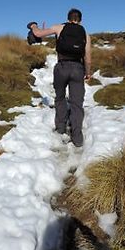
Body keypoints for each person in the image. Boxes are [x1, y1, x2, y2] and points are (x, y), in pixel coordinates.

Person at [29, 9, 92, 148]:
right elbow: (87, 58)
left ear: (68, 18)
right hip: (77, 69)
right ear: (80, 20)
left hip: (61, 67)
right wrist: (87, 73)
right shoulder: (85, 34)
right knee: (76, 103)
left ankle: (61, 128)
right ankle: (77, 137)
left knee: (60, 98)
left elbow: (38, 34)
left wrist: (33, 25)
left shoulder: (59, 27)